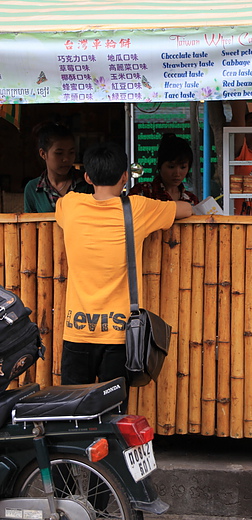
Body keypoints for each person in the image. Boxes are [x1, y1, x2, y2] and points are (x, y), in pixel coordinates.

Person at [55, 141, 193, 385]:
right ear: (125, 177)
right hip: (120, 335)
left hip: (77, 331)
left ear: (87, 177)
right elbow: (185, 209)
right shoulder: (138, 208)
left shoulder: (69, 204)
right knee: (114, 413)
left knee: (73, 414)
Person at [24, 121, 92, 212]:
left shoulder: (86, 183)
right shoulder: (33, 189)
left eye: (71, 152)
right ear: (43, 154)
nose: (66, 159)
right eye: (59, 153)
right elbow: (29, 225)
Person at [129, 133, 199, 204]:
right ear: (160, 165)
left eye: (183, 167)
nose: (177, 173)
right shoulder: (142, 192)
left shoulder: (191, 199)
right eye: (171, 167)